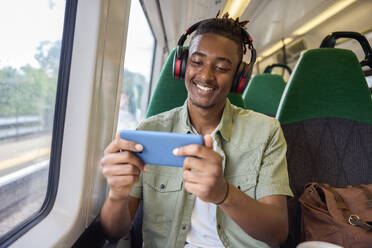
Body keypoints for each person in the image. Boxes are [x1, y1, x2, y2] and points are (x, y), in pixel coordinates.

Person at [100, 15, 293, 248]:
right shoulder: (149, 131)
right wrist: (116, 196)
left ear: (237, 78)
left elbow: (278, 233)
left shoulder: (266, 132)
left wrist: (224, 194)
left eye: (221, 67)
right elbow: (114, 231)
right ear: (182, 65)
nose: (205, 76)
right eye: (197, 62)